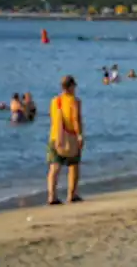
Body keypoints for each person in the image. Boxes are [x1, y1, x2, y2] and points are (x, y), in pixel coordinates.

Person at [47, 75, 83, 205]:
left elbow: (53, 118)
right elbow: (75, 119)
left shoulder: (54, 101)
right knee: (74, 165)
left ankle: (52, 196)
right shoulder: (74, 101)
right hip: (70, 137)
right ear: (70, 87)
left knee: (54, 167)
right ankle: (72, 194)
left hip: (55, 136)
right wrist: (80, 135)